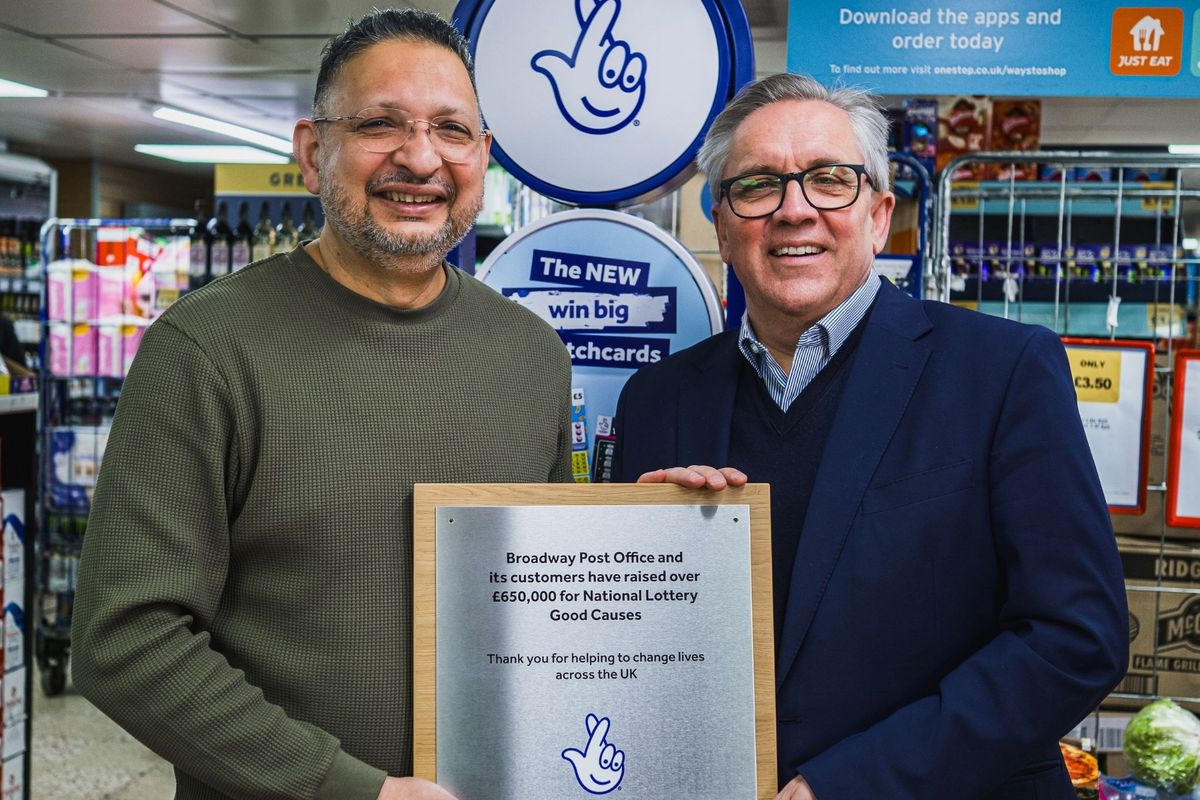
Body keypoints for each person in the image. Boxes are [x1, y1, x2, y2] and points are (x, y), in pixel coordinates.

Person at [71, 10, 572, 800]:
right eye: (381, 124)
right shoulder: (204, 350)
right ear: (312, 153)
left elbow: (550, 600)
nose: (420, 157)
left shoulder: (532, 355)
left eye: (451, 129)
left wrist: (659, 538)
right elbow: (125, 640)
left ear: (482, 155)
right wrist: (349, 789)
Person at [612, 73, 1128, 800]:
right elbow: (626, 650)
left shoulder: (1003, 371)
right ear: (724, 226)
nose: (795, 211)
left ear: (880, 216)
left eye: (830, 180)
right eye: (758, 186)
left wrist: (852, 783)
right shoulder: (656, 400)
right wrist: (632, 564)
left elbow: (1077, 637)